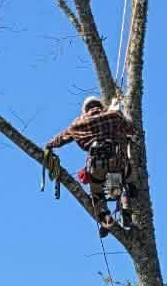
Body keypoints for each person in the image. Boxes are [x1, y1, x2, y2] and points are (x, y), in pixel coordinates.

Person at [45, 96, 136, 234]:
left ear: (85, 110)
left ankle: (106, 217)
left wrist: (48, 146)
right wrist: (119, 115)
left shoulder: (78, 124)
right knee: (119, 184)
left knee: (97, 192)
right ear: (100, 106)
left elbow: (61, 138)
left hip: (96, 164)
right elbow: (131, 129)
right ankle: (125, 208)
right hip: (115, 159)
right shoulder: (112, 115)